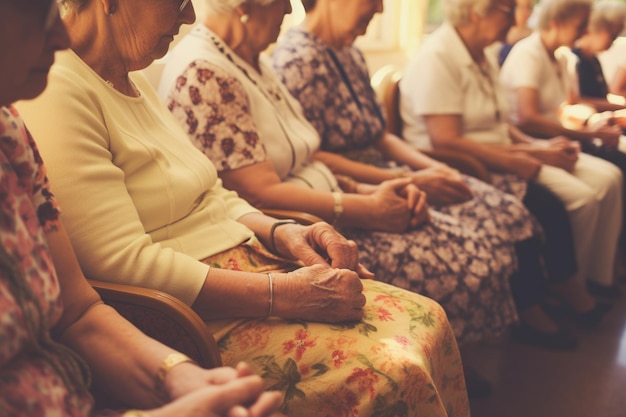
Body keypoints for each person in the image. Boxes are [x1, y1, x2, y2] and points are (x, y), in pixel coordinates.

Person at [15, 0, 471, 416]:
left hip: (249, 264)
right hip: (194, 311)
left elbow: (213, 193)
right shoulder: (55, 88)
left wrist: (282, 232)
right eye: (177, 1)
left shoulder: (128, 78)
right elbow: (122, 264)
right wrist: (285, 293)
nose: (190, 15)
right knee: (391, 365)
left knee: (427, 317)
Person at [159, 0, 589, 370]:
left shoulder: (252, 61)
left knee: (487, 233)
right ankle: (444, 360)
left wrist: (381, 189)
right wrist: (368, 203)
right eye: (281, 0)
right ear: (244, 5)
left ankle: (452, 357)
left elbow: (311, 155)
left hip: (335, 200)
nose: (291, 8)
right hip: (310, 222)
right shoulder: (209, 69)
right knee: (475, 254)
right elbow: (259, 191)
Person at [0, 1, 285, 417]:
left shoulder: (11, 132)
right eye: (37, 13)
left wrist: (180, 377)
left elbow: (79, 313)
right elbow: (122, 261)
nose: (61, 35)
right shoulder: (58, 91)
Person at [399, 0, 619, 322]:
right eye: (510, 8)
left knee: (604, 179)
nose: (520, 17)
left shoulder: (484, 54)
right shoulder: (438, 56)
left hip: (497, 153)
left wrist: (533, 147)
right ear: (477, 11)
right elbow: (446, 140)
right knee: (573, 201)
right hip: (464, 162)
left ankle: (578, 279)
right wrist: (523, 157)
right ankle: (564, 284)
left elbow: (501, 125)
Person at [499, 0, 626, 297]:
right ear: (556, 22)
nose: (583, 32)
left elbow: (567, 106)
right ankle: (572, 282)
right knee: (586, 198)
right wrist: (578, 135)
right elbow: (527, 118)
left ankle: (599, 274)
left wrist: (591, 124)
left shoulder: (564, 58)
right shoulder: (527, 54)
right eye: (578, 25)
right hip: (532, 138)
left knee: (611, 179)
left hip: (549, 139)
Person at [569, 0, 626, 111]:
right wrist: (621, 107)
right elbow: (577, 100)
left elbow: (602, 96)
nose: (612, 43)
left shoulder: (593, 59)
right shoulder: (575, 59)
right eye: (612, 36)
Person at [498, 0, 535, 65]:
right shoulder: (497, 36)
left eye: (529, 8)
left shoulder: (533, 34)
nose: (528, 14)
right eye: (522, 8)